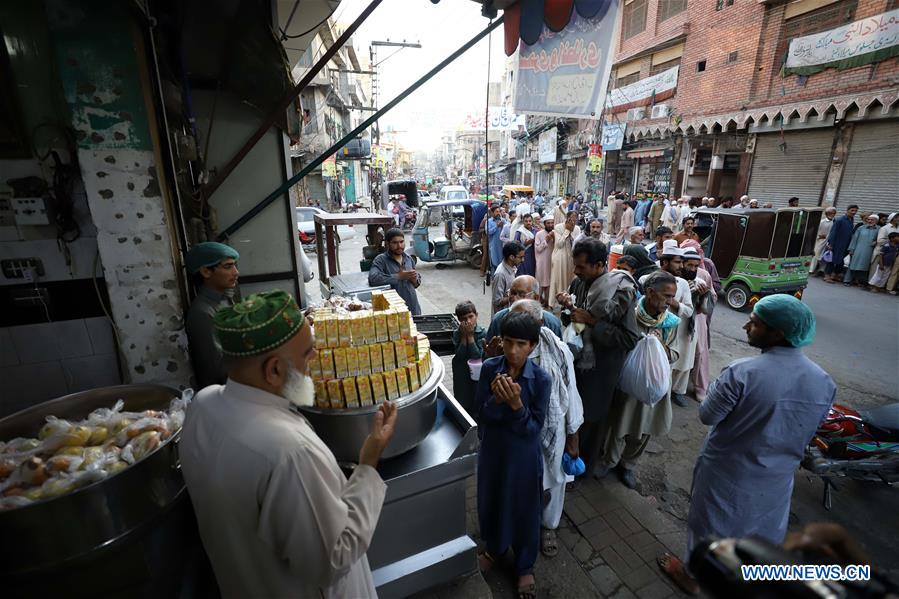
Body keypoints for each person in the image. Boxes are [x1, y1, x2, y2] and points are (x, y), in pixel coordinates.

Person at [180, 290, 398, 598]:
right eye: (307, 353)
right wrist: (368, 464)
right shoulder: (289, 453)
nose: (315, 359)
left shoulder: (203, 405)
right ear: (274, 370)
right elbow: (333, 559)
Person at [658, 295, 834, 596]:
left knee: (709, 528)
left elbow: (707, 415)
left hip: (728, 471)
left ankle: (693, 577)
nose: (746, 326)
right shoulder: (824, 381)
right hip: (776, 479)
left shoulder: (742, 372)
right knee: (761, 532)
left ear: (777, 333)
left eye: (754, 323)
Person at [476, 311, 550, 599]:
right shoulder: (490, 369)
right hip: (494, 451)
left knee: (525, 510)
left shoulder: (541, 380)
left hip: (523, 458)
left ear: (532, 346)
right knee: (493, 500)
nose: (513, 350)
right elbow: (480, 415)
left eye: (521, 344)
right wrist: (496, 401)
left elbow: (533, 431)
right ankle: (495, 548)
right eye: (508, 342)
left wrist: (517, 405)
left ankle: (524, 565)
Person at [556, 239, 641, 474]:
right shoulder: (578, 283)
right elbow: (573, 322)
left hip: (601, 371)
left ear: (600, 265)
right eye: (575, 265)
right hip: (576, 362)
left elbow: (629, 339)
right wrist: (568, 308)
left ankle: (583, 471)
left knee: (592, 422)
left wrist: (593, 321)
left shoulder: (621, 292)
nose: (576, 271)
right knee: (570, 416)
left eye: (581, 267)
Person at [508, 299, 583, 560]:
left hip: (552, 429)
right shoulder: (505, 351)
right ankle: (519, 524)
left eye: (525, 323)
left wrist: (573, 436)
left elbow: (570, 392)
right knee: (521, 483)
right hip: (517, 431)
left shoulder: (558, 350)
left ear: (539, 325)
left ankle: (548, 526)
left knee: (552, 482)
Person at [596, 271, 680, 488]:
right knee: (619, 424)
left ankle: (628, 465)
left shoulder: (670, 323)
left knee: (645, 429)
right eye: (666, 296)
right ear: (650, 293)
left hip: (656, 386)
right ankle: (608, 460)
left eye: (672, 297)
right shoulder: (630, 315)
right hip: (628, 383)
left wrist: (661, 348)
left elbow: (675, 354)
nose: (670, 302)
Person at [184, 241, 240, 389]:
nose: (236, 272)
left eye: (235, 265)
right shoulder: (202, 313)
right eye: (228, 266)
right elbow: (219, 371)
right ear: (206, 272)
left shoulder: (225, 299)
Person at [648, 240, 694, 407]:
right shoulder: (648, 279)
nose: (681, 266)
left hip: (673, 333)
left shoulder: (682, 284)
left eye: (682, 262)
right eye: (677, 262)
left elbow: (689, 311)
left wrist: (674, 303)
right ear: (665, 262)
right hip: (650, 331)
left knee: (668, 366)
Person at [681, 248, 716, 402]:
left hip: (697, 319)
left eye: (696, 265)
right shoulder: (675, 276)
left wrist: (703, 295)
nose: (693, 269)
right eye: (689, 265)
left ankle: (697, 388)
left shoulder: (703, 276)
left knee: (697, 353)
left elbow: (707, 306)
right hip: (678, 319)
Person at [486, 275, 563, 342]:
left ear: (536, 298)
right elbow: (487, 350)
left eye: (521, 294)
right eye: (512, 293)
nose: (514, 298)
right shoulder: (498, 319)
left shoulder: (551, 323)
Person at [368, 228, 422, 315]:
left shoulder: (409, 259)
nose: (399, 246)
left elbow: (416, 283)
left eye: (401, 242)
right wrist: (398, 276)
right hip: (393, 311)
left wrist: (415, 280)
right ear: (387, 243)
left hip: (413, 309)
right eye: (395, 243)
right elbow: (373, 279)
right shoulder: (381, 260)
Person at [452, 301, 487, 417]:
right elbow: (459, 355)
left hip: (476, 375)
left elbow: (477, 356)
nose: (468, 321)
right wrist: (464, 337)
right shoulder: (457, 334)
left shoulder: (482, 333)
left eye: (471, 317)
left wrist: (470, 337)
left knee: (476, 400)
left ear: (476, 315)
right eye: (464, 319)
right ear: (459, 320)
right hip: (462, 375)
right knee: (462, 401)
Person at [548, 211, 582, 309]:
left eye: (575, 218)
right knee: (558, 279)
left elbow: (577, 243)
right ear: (567, 218)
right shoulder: (558, 227)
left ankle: (569, 302)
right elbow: (559, 244)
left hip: (572, 256)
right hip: (560, 256)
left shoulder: (577, 228)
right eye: (571, 218)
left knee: (571, 279)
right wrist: (567, 231)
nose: (573, 220)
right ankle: (554, 302)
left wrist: (572, 232)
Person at [823, 204, 857, 283]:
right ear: (847, 210)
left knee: (841, 261)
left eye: (855, 211)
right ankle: (827, 276)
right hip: (836, 244)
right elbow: (833, 232)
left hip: (845, 245)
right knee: (832, 260)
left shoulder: (851, 220)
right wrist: (830, 244)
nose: (854, 212)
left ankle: (834, 275)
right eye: (852, 210)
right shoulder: (840, 220)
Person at [843, 214, 879, 287]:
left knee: (864, 267)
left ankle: (860, 281)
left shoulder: (879, 229)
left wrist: (876, 242)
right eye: (868, 219)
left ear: (876, 221)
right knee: (853, 265)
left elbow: (881, 239)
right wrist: (851, 249)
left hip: (869, 251)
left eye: (872, 220)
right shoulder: (861, 228)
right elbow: (854, 239)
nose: (870, 221)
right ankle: (847, 280)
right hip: (858, 250)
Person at [492, 241, 525, 316]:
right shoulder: (500, 275)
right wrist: (513, 297)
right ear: (511, 257)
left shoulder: (513, 267)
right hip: (503, 317)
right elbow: (497, 301)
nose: (523, 260)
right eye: (520, 257)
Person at [869, 212, 898, 280]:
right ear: (892, 219)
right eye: (896, 217)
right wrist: (892, 241)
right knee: (875, 270)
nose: (898, 219)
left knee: (886, 272)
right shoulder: (884, 228)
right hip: (881, 252)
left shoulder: (898, 228)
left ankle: (881, 284)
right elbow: (880, 241)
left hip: (892, 253)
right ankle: (871, 284)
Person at [809, 206, 837, 275]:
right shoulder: (822, 222)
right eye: (831, 213)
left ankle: (821, 270)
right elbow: (814, 232)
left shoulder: (835, 222)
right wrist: (819, 236)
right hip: (820, 242)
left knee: (826, 256)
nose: (833, 214)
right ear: (827, 213)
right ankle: (811, 270)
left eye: (834, 213)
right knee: (816, 256)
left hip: (829, 242)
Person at [535, 215, 555, 305]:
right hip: (542, 263)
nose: (550, 225)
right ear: (544, 224)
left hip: (552, 262)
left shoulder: (555, 234)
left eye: (552, 223)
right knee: (540, 283)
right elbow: (538, 249)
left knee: (550, 283)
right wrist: (546, 240)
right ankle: (537, 303)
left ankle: (548, 302)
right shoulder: (539, 234)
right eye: (548, 223)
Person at [515, 213, 539, 277]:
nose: (528, 223)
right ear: (523, 222)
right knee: (523, 274)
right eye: (526, 221)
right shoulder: (519, 232)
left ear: (532, 221)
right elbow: (516, 245)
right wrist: (525, 244)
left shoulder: (536, 231)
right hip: (524, 256)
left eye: (530, 221)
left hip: (534, 255)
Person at [486, 205, 508, 270]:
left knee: (503, 262)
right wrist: (497, 226)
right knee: (494, 262)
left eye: (499, 211)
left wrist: (503, 226)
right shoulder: (489, 221)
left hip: (502, 245)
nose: (498, 213)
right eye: (496, 211)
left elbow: (508, 231)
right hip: (494, 245)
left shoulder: (503, 221)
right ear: (492, 213)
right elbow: (488, 232)